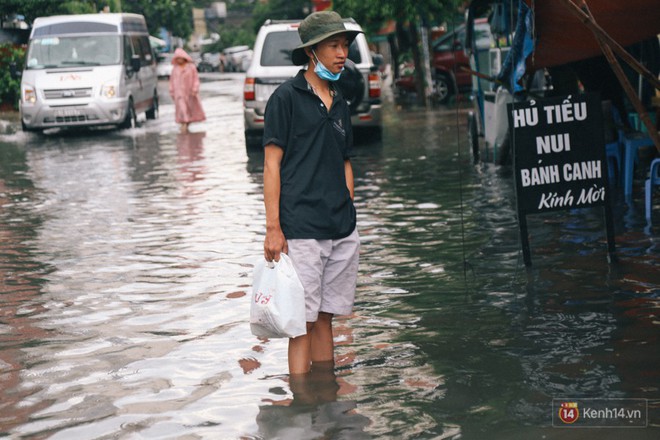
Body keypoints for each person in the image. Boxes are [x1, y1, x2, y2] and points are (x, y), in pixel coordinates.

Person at [262, 11, 361, 376]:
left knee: (325, 318)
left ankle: (326, 397)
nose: (342, 53)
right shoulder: (285, 99)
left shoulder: (339, 101)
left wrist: (348, 210)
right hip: (301, 229)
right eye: (334, 45)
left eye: (345, 46)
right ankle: (302, 406)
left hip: (341, 228)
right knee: (300, 323)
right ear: (312, 51)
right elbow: (272, 165)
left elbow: (345, 161)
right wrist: (274, 228)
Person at [168, 48, 206, 133]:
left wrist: (195, 88)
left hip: (190, 93)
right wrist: (172, 91)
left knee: (190, 110)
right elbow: (171, 81)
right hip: (179, 94)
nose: (179, 60)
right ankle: (183, 127)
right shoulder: (175, 69)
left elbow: (196, 79)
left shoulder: (191, 67)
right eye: (177, 58)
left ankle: (186, 127)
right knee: (182, 109)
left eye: (180, 58)